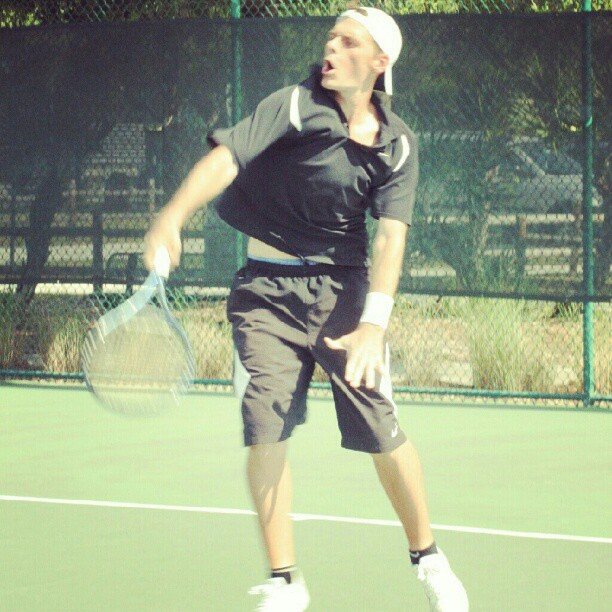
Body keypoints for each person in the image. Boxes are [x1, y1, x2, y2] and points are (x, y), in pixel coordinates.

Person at [145, 6, 469, 611]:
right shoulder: (295, 104)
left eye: (348, 42)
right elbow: (228, 159)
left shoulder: (397, 145)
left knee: (379, 426)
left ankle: (428, 558)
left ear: (379, 62)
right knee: (264, 422)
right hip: (264, 291)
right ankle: (285, 581)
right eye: (330, 38)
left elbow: (390, 236)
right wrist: (173, 215)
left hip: (342, 295)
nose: (331, 49)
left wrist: (373, 325)